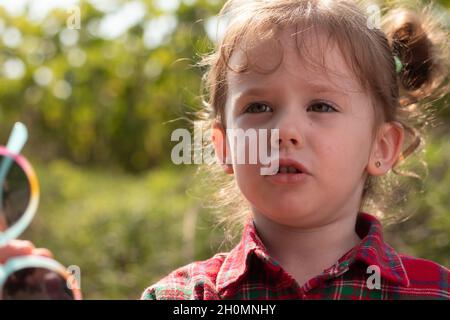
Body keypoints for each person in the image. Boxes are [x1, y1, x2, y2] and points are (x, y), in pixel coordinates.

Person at [141, 0, 449, 300]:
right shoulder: (184, 296)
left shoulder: (433, 291)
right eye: (258, 106)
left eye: (321, 106)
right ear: (225, 147)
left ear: (380, 146)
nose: (285, 131)